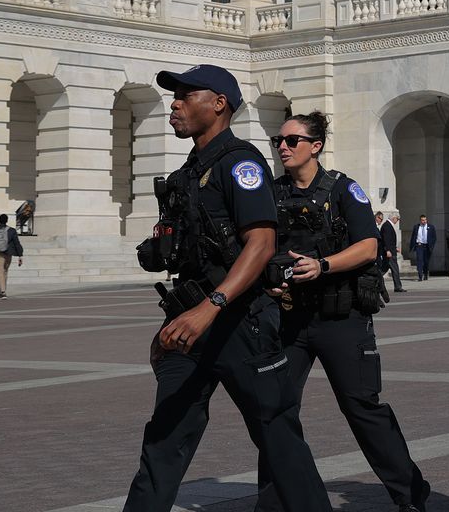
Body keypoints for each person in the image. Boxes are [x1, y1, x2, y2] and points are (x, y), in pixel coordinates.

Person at [122, 64, 330, 512]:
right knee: (164, 438)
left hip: (240, 323)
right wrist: (174, 322)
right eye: (174, 95)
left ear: (218, 104)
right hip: (192, 324)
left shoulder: (241, 163)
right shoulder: (189, 170)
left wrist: (211, 306)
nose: (174, 103)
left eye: (186, 95)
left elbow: (262, 244)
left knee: (278, 437)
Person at [254, 111, 427, 512]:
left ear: (315, 146)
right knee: (275, 411)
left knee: (362, 407)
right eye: (278, 141)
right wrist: (269, 279)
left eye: (292, 141)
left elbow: (368, 246)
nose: (282, 147)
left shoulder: (343, 189)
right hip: (289, 318)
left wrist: (323, 265)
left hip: (341, 318)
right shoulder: (271, 193)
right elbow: (259, 247)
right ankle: (274, 504)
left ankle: (411, 496)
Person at [0, 213, 24, 299]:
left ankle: (2, 292)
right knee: (5, 271)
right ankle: (2, 290)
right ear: (7, 221)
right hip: (8, 253)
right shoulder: (12, 230)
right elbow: (17, 243)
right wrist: (20, 255)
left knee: (0, 272)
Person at [375, 212, 405, 293]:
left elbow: (389, 240)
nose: (397, 221)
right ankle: (398, 286)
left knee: (383, 269)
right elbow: (386, 239)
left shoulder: (387, 225)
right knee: (395, 269)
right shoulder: (387, 226)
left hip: (390, 251)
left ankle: (374, 281)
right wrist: (388, 250)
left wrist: (394, 248)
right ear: (394, 218)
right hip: (389, 253)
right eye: (397, 219)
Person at [411, 215, 433, 280]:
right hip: (419, 245)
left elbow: (434, 237)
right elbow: (413, 236)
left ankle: (425, 274)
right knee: (419, 261)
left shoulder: (431, 227)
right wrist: (413, 245)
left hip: (427, 246)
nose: (424, 221)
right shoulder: (416, 227)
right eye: (423, 220)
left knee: (426, 261)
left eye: (425, 220)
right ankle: (420, 275)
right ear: (420, 220)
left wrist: (431, 246)